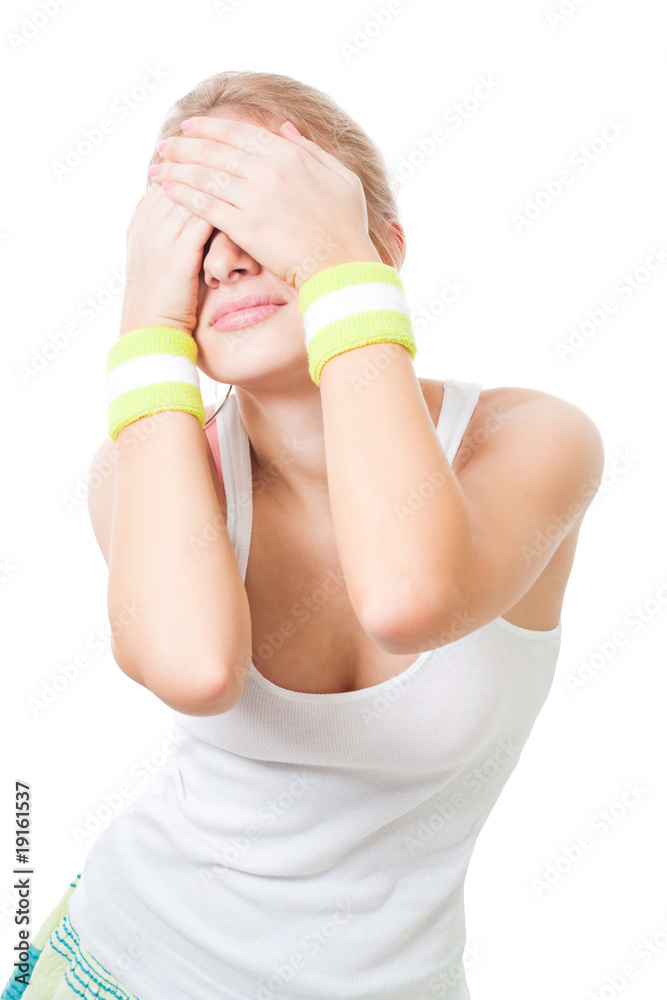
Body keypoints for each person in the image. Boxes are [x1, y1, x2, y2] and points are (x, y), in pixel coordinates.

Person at [5, 69, 604, 1000]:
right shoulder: (148, 462)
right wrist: (143, 328)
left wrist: (336, 270)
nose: (224, 260)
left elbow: (410, 597)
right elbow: (194, 668)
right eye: (192, 236)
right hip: (114, 969)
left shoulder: (527, 438)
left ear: (382, 248)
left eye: (263, 211)